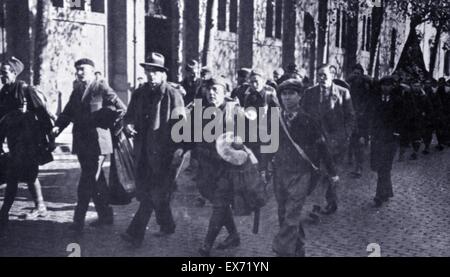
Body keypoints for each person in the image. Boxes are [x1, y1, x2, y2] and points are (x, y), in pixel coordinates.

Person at [52, 58, 127, 235]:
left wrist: (102, 118)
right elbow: (67, 112)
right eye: (77, 69)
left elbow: (121, 108)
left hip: (98, 143)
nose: (79, 73)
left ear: (93, 71)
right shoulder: (77, 90)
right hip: (82, 142)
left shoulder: (101, 87)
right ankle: (106, 215)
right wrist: (57, 127)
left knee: (86, 181)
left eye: (82, 69)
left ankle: (78, 221)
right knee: (96, 181)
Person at [120, 53, 186, 248]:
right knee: (156, 192)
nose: (151, 76)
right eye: (148, 71)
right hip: (143, 153)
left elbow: (181, 125)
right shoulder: (139, 93)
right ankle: (168, 224)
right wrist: (128, 126)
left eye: (155, 72)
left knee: (150, 194)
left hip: (165, 154)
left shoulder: (173, 95)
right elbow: (129, 116)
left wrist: (177, 153)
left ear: (163, 74)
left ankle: (135, 233)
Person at [271, 79, 338, 256]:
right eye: (283, 94)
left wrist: (332, 172)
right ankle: (299, 248)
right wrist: (263, 167)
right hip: (280, 172)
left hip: (301, 173)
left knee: (292, 212)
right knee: (283, 212)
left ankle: (282, 249)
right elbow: (267, 146)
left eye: (291, 94)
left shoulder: (309, 120)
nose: (286, 98)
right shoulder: (275, 119)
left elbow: (322, 147)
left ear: (299, 96)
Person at [192, 77, 249, 257]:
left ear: (225, 93)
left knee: (219, 204)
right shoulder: (201, 111)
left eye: (216, 90)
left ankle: (206, 245)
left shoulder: (235, 112)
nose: (211, 93)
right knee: (220, 204)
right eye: (208, 90)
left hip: (227, 169)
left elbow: (247, 140)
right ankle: (233, 235)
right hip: (207, 169)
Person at [0, 57, 54, 236]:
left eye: (5, 72)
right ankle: (40, 206)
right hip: (14, 141)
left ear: (14, 73)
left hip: (29, 140)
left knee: (15, 173)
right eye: (0, 72)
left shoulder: (25, 89)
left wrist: (49, 138)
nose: (1, 76)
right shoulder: (3, 93)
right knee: (28, 174)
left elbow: (43, 114)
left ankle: (4, 212)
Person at [301, 64, 356, 215]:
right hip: (315, 141)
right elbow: (303, 114)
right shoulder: (309, 93)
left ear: (333, 75)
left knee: (327, 173)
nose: (322, 78)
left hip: (335, 142)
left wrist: (345, 135)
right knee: (320, 173)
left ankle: (316, 206)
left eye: (325, 75)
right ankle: (332, 202)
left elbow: (350, 116)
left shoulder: (343, 93)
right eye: (319, 75)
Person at [368, 76, 403, 207]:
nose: (386, 88)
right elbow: (371, 116)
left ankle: (379, 194)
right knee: (380, 166)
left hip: (391, 139)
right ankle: (387, 192)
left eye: (389, 85)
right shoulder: (375, 100)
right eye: (383, 85)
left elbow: (402, 118)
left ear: (393, 87)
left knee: (385, 166)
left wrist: (397, 132)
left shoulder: (398, 100)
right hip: (378, 138)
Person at [346, 64, 372, 177]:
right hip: (351, 116)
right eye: (355, 73)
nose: (357, 76)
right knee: (351, 141)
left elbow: (369, 100)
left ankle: (359, 167)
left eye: (359, 73)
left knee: (360, 142)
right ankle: (350, 158)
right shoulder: (349, 84)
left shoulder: (366, 85)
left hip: (362, 118)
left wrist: (362, 112)